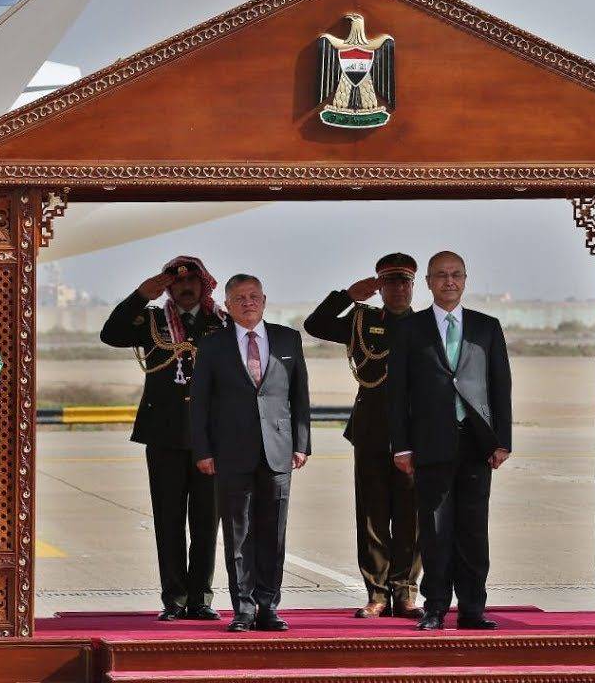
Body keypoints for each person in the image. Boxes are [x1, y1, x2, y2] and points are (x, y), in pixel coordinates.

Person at [99, 256, 228, 622]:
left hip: (211, 438)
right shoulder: (152, 321)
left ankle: (200, 598)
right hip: (164, 434)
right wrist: (140, 295)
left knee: (206, 522)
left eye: (192, 281)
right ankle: (174, 598)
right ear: (169, 288)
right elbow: (111, 334)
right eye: (178, 282)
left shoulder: (221, 322)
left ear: (204, 285)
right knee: (168, 520)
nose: (186, 287)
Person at [387, 251, 512, 631]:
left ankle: (473, 608)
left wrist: (502, 440)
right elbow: (398, 392)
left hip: (477, 443)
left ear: (465, 279)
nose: (449, 281)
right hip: (430, 444)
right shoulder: (410, 329)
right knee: (436, 530)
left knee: (473, 529)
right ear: (428, 282)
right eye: (441, 275)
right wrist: (401, 445)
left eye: (456, 274)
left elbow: (500, 387)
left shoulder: (487, 327)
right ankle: (436, 607)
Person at [302, 253, 422, 619]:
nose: (398, 289)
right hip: (371, 428)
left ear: (413, 286)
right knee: (372, 514)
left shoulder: (427, 326)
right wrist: (346, 296)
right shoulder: (361, 321)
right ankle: (377, 593)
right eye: (390, 282)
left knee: (411, 517)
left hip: (414, 432)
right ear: (379, 287)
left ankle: (405, 592)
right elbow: (315, 325)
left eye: (404, 282)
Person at [189, 273, 312, 632]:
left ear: (264, 300)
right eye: (240, 298)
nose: (248, 303)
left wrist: (301, 443)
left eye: (254, 296)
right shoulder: (213, 345)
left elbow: (300, 396)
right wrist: (203, 450)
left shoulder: (288, 338)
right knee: (238, 533)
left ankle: (268, 606)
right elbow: (200, 402)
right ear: (227, 305)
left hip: (278, 450)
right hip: (231, 451)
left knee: (274, 532)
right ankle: (243, 608)